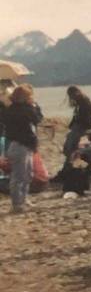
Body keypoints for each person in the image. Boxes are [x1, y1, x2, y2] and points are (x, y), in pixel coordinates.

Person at [0, 85, 41, 213]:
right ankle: (17, 203)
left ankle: (22, 199)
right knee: (19, 176)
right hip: (21, 146)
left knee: (27, 174)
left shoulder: (10, 110)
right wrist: (34, 106)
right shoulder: (25, 110)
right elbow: (37, 119)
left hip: (22, 145)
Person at [63, 86, 91, 167]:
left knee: (70, 147)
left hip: (81, 127)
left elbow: (87, 116)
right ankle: (71, 164)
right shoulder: (81, 102)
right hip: (80, 126)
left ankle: (71, 164)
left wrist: (86, 125)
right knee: (70, 147)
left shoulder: (84, 102)